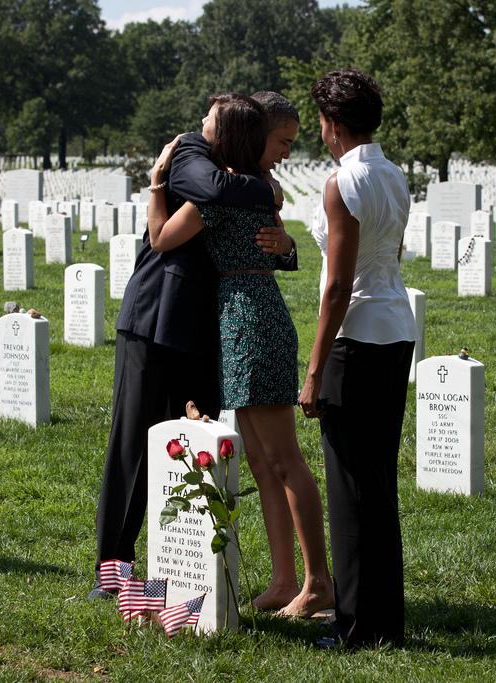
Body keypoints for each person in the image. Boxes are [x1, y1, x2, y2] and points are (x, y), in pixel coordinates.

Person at [89, 98, 298, 600]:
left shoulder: (238, 173)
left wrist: (283, 238)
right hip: (157, 315)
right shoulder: (187, 152)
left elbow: (266, 246)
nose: (200, 125)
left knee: (197, 445)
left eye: (209, 119)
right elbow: (209, 194)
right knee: (133, 444)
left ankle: (184, 566)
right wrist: (262, 187)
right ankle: (114, 566)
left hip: (213, 327)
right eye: (282, 143)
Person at [147, 94, 334, 618]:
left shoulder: (219, 196)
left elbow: (160, 238)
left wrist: (158, 184)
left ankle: (318, 582)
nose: (200, 134)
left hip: (249, 321)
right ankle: (282, 581)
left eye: (209, 126)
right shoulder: (256, 189)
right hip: (245, 315)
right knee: (259, 459)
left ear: (225, 138)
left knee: (283, 458)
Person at [298, 69, 416, 647]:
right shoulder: (396, 176)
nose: (321, 132)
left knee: (348, 490)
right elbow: (389, 256)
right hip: (396, 330)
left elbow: (338, 285)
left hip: (356, 335)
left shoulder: (341, 182)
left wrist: (315, 368)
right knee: (378, 481)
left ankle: (353, 626)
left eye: (321, 122)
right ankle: (383, 622)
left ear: (335, 125)